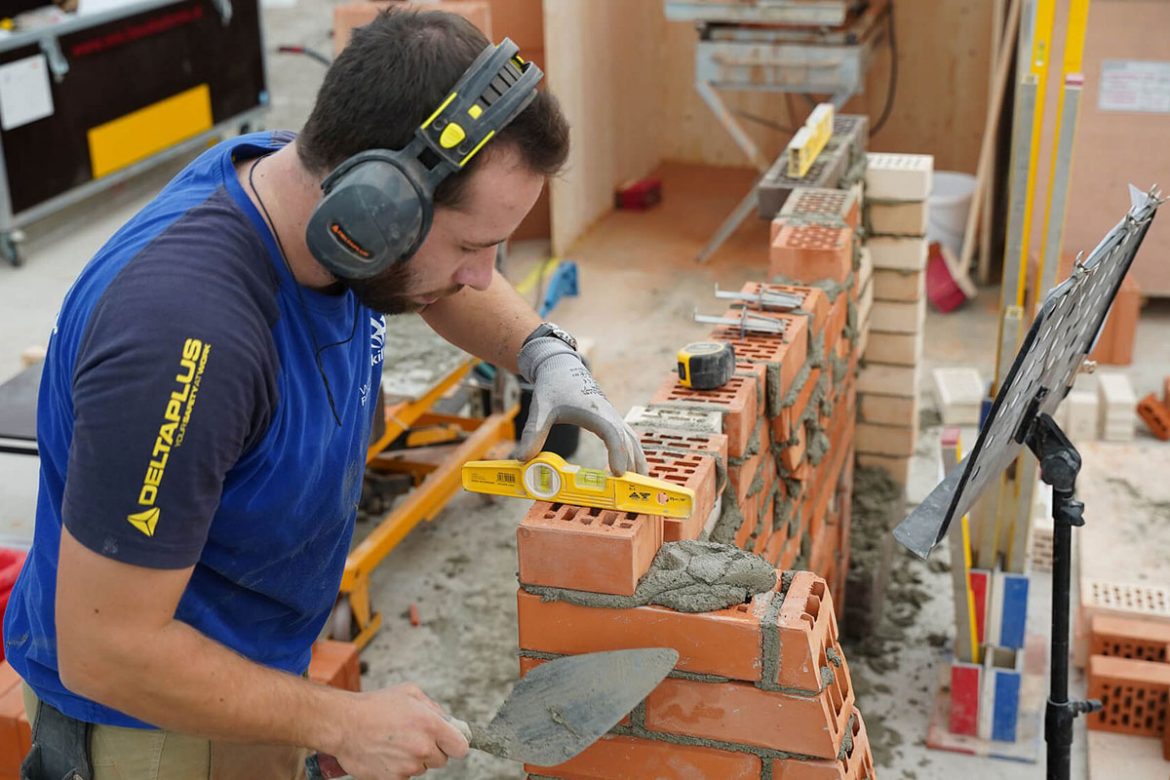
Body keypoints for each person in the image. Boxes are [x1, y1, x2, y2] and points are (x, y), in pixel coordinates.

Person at [3, 9, 646, 779]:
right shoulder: (186, 335)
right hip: (150, 734)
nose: (485, 277)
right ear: (374, 211)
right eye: (474, 247)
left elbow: (442, 287)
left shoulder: (311, 196)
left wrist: (543, 353)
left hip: (237, 683)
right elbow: (105, 649)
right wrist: (340, 721)